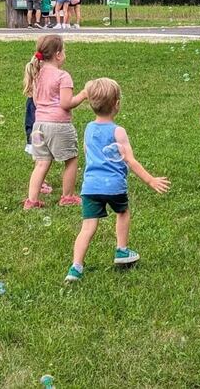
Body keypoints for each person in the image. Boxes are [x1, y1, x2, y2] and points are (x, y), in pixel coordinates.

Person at [65, 78, 171, 282]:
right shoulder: (118, 131)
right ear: (117, 104)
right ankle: (121, 250)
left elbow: (87, 152)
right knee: (122, 212)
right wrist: (150, 180)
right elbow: (130, 160)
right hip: (114, 185)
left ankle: (76, 267)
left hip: (90, 186)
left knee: (87, 227)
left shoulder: (88, 128)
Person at [22, 34, 87, 209]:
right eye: (64, 51)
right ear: (58, 54)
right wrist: (83, 94)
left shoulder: (36, 74)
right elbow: (66, 103)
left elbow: (36, 102)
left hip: (38, 126)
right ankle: (68, 197)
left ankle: (32, 200)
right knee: (71, 159)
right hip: (58, 126)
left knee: (41, 162)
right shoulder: (63, 76)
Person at [24, 95, 53, 195]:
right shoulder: (36, 101)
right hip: (36, 133)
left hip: (35, 132)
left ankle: (40, 182)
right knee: (41, 159)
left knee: (40, 159)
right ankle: (40, 184)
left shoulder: (33, 100)